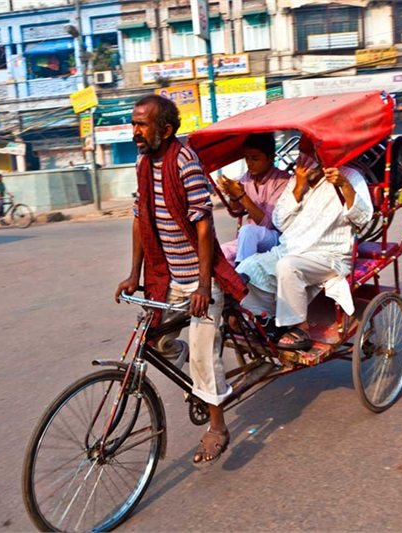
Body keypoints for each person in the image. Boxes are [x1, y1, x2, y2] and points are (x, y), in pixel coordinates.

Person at [114, 95, 246, 465]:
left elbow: (204, 226)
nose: (135, 131)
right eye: (134, 123)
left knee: (205, 354)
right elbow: (140, 219)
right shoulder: (143, 163)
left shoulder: (185, 162)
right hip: (167, 276)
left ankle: (218, 426)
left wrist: (204, 287)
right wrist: (133, 275)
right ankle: (196, 379)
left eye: (142, 125)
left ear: (166, 130)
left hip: (199, 277)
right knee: (156, 342)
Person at [236, 137, 373, 351]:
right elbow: (279, 221)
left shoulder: (350, 176)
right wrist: (298, 189)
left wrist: (345, 187)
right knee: (246, 268)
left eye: (310, 154)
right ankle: (265, 317)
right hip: (291, 249)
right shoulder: (295, 181)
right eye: (302, 154)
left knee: (288, 267)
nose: (304, 160)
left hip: (328, 255)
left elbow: (363, 220)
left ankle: (300, 328)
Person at [217, 133, 290, 266]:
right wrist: (232, 195)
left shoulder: (283, 181)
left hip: (275, 237)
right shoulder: (246, 178)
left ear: (270, 157)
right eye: (247, 158)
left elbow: (269, 224)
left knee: (248, 230)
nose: (250, 163)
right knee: (221, 253)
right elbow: (236, 210)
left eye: (255, 158)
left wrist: (241, 195)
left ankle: (243, 276)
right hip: (247, 238)